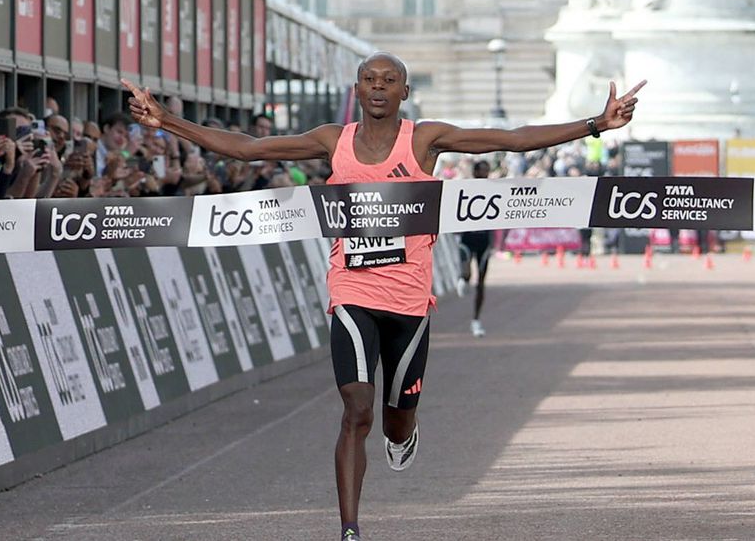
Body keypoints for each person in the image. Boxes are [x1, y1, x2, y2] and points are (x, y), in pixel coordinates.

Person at [122, 53, 644, 541]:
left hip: (410, 302)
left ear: (405, 92)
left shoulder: (425, 140)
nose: (378, 87)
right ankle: (349, 529)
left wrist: (595, 125)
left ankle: (404, 433)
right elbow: (250, 148)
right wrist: (166, 120)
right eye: (370, 79)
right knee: (356, 409)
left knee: (395, 418)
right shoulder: (334, 140)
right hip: (351, 289)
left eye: (388, 80)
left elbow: (509, 139)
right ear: (357, 89)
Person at [456, 159, 495, 338]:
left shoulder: (494, 190)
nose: (485, 174)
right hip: (468, 239)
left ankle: (476, 320)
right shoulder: (466, 188)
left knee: (481, 283)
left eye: (487, 171)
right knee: (467, 274)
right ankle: (462, 278)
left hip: (484, 241)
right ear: (475, 172)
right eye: (482, 171)